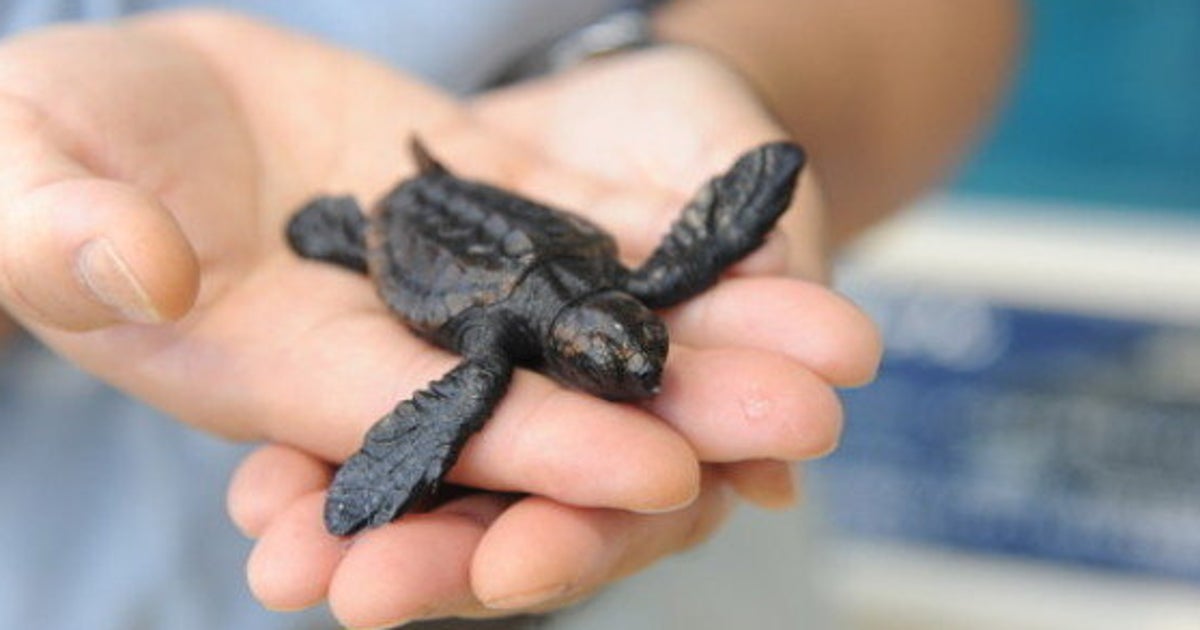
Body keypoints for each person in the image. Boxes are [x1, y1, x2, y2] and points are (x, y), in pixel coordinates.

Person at [0, 1, 1019, 627]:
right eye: (618, 358)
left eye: (638, 350)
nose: (641, 365)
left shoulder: (601, 293)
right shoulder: (497, 339)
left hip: (682, 600)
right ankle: (337, 233)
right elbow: (663, 270)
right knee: (425, 366)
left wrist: (734, 76)